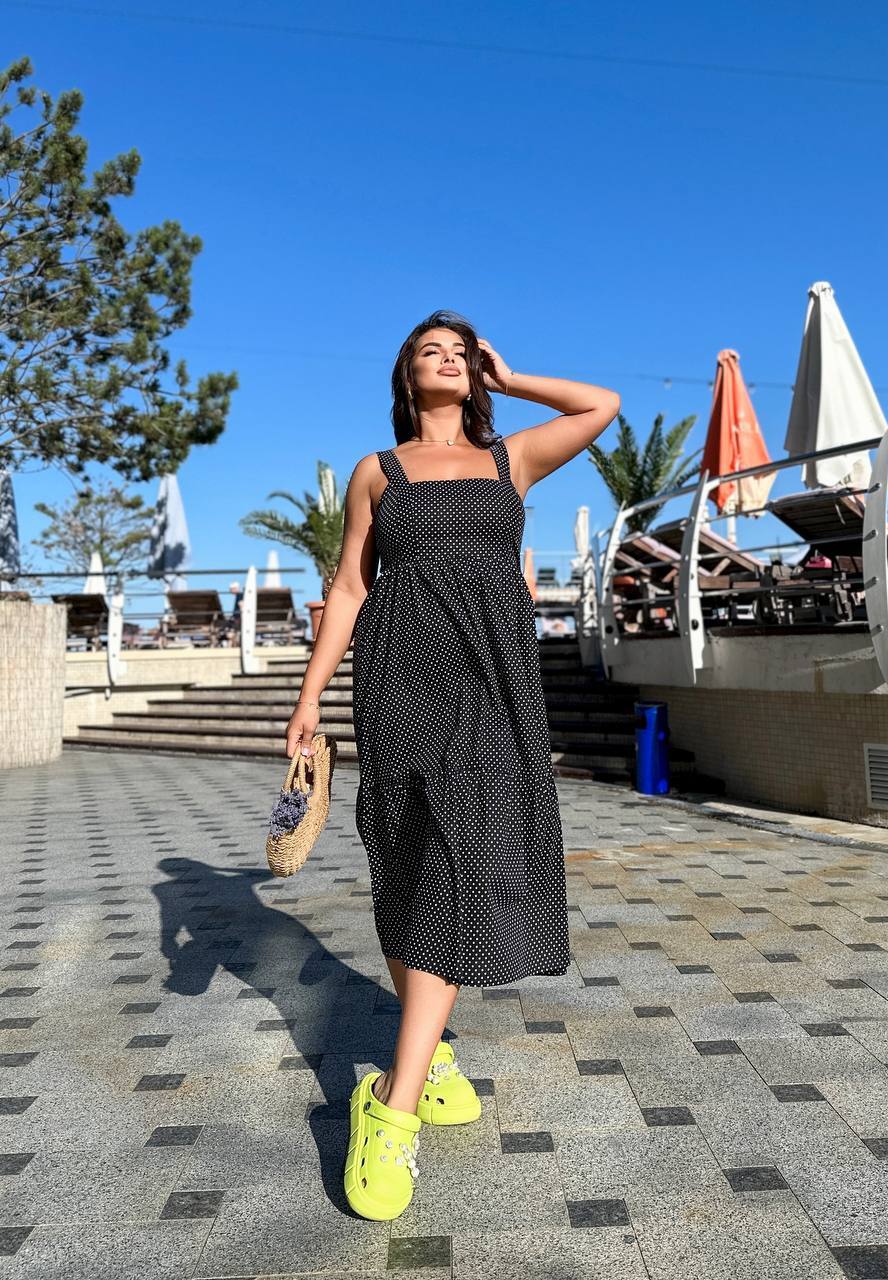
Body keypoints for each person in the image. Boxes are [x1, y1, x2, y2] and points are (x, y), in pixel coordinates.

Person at [284, 309, 620, 1221]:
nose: (448, 359)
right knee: (406, 855)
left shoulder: (511, 459)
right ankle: (430, 1055)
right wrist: (310, 698)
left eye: (461, 353)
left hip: (493, 678)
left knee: (460, 858)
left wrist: (512, 379)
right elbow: (349, 588)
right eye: (431, 350)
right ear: (406, 374)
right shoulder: (378, 471)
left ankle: (390, 1110)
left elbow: (601, 406)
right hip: (400, 672)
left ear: (478, 374)